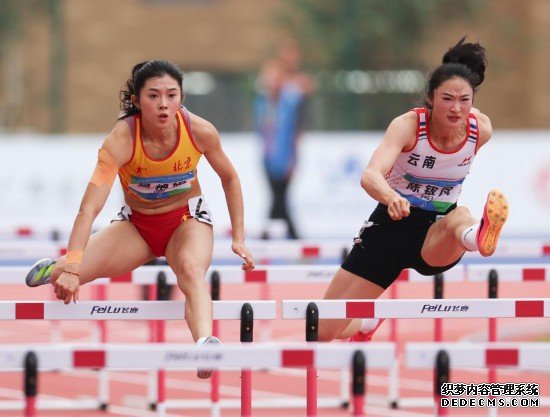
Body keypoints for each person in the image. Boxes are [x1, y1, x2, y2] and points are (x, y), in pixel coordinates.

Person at [25, 60, 255, 378]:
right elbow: (88, 209)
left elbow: (230, 178)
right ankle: (56, 265)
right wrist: (73, 266)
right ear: (136, 101)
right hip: (137, 226)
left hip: (187, 221)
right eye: (153, 96)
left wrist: (239, 237)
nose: (163, 104)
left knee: (190, 271)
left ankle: (205, 344)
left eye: (172, 95)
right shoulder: (120, 141)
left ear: (181, 98)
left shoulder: (199, 131)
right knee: (66, 277)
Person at [318, 37, 509, 342]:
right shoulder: (409, 126)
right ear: (431, 98)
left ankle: (478, 237)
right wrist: (391, 197)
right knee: (320, 330)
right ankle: (366, 324)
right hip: (389, 228)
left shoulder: (479, 130)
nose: (456, 109)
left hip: (436, 234)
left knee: (460, 216)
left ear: (473, 100)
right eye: (447, 99)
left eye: (465, 99)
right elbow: (370, 175)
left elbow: (466, 108)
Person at [254, 40, 314, 239]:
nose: (271, 81)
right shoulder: (262, 103)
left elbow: (305, 87)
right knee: (277, 198)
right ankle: (280, 233)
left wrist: (292, 160)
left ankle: (278, 234)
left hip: (286, 157)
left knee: (280, 198)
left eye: (275, 78)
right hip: (268, 157)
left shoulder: (290, 101)